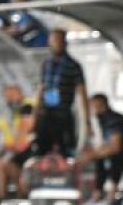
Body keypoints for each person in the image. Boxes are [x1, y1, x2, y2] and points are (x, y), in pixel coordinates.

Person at [32, 29, 90, 159]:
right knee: (41, 150)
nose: (56, 44)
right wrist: (35, 115)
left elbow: (82, 93)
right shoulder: (46, 64)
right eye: (53, 40)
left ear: (64, 42)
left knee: (66, 150)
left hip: (63, 113)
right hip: (47, 113)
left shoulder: (73, 66)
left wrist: (87, 121)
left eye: (58, 40)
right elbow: (41, 89)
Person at [0, 84, 35, 201]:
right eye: (6, 97)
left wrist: (13, 147)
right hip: (21, 148)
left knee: (4, 163)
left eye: (10, 96)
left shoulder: (28, 106)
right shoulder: (17, 110)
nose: (8, 100)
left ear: (18, 92)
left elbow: (26, 134)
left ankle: (21, 195)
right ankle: (2, 198)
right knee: (0, 162)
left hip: (31, 148)